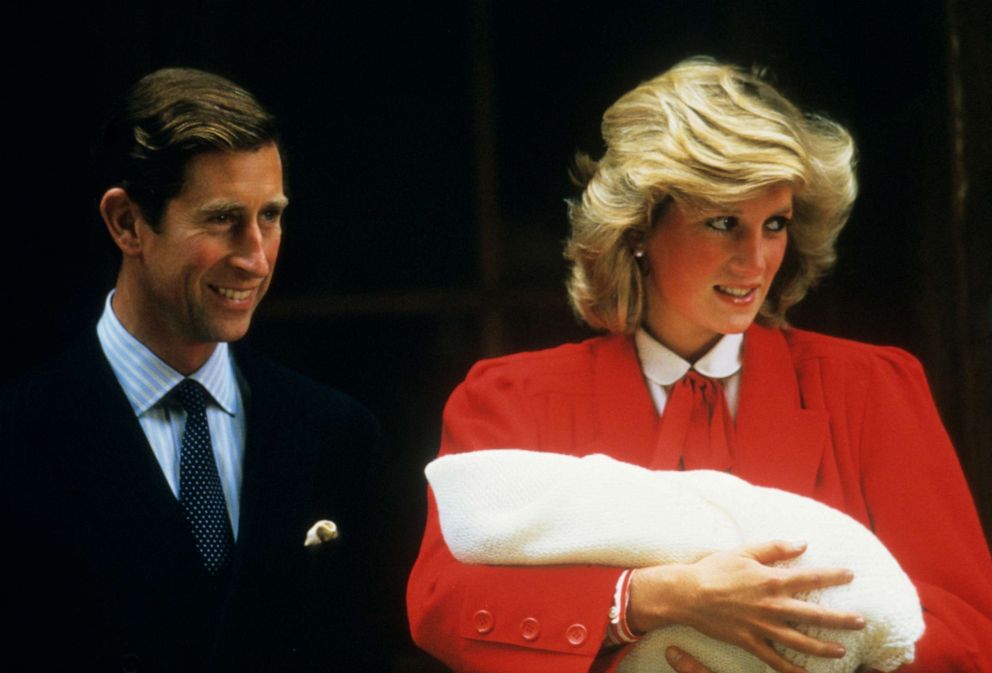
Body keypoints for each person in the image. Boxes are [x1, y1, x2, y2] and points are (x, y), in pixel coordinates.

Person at [407, 57, 992, 673]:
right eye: (722, 223)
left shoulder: (871, 386)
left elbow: (966, 628)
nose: (756, 260)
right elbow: (441, 603)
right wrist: (646, 599)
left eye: (775, 224)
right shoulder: (511, 397)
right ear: (637, 229)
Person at [1, 68, 383, 672]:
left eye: (272, 216)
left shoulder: (339, 434)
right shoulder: (17, 439)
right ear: (127, 222)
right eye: (222, 219)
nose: (256, 258)